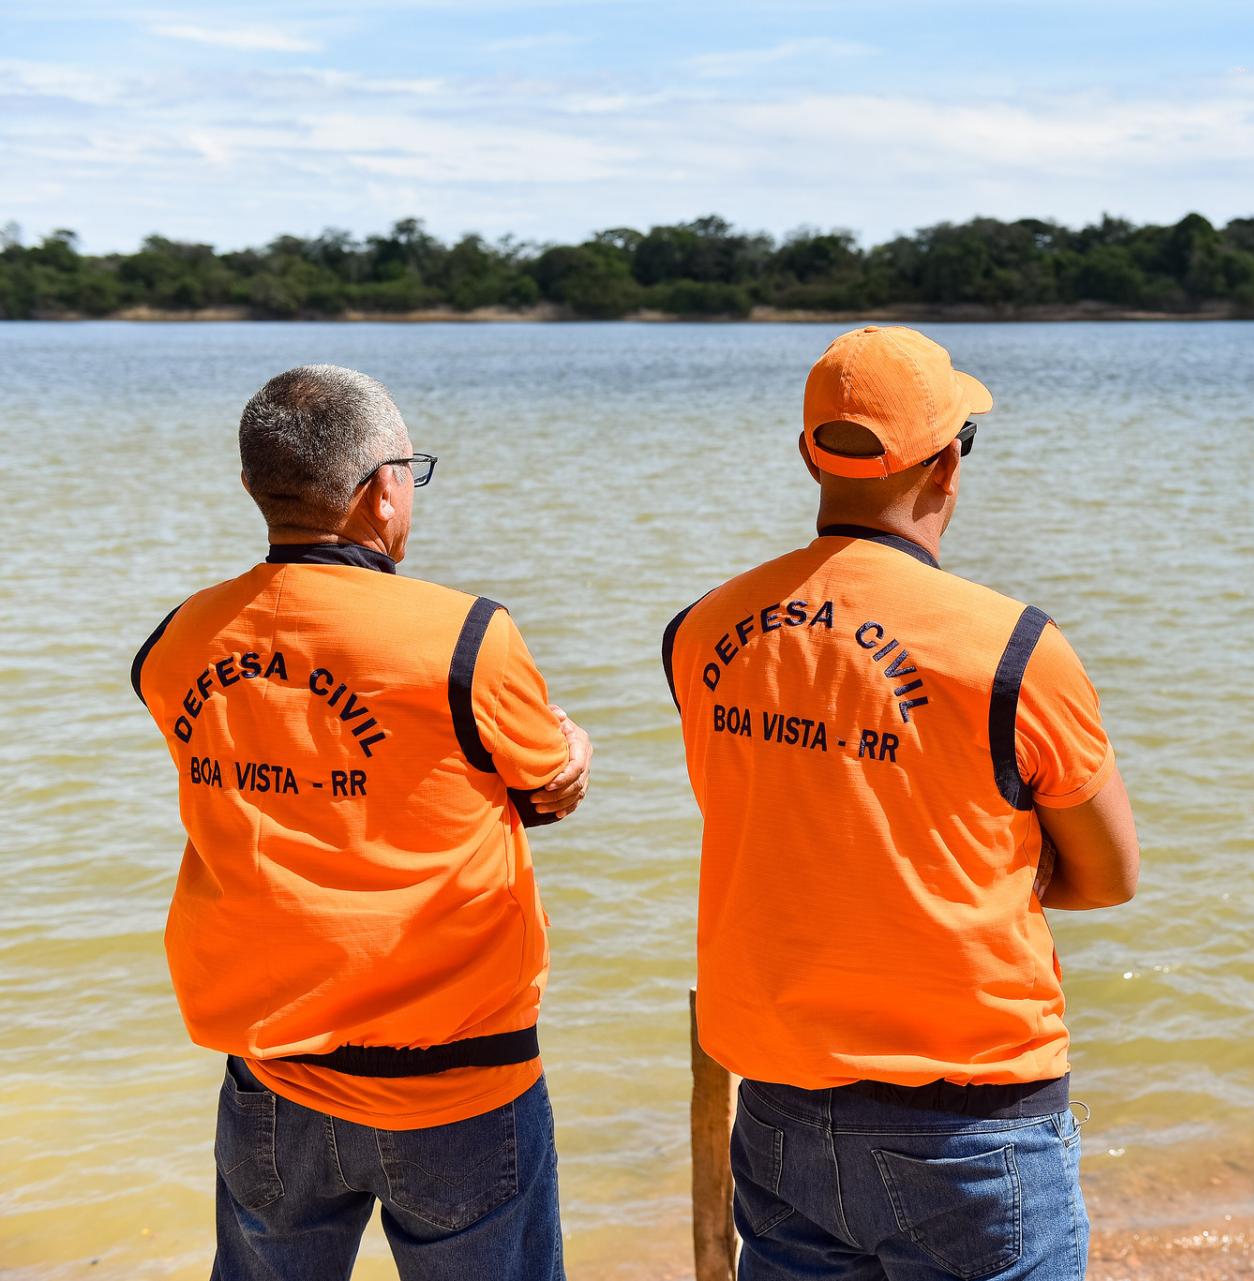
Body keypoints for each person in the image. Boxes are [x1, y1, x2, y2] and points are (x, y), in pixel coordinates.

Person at [662, 325, 1140, 1281]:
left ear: (812, 454)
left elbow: (781, 812)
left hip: (780, 1106)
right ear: (948, 466)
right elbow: (1110, 874)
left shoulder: (699, 629)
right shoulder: (1011, 650)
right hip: (967, 1119)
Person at [131, 365, 592, 1281]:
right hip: (457, 1083)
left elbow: (262, 782)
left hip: (272, 1076)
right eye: (409, 473)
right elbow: (546, 786)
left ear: (257, 488)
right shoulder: (466, 634)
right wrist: (574, 749)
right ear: (382, 488)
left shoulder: (180, 639)